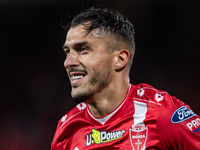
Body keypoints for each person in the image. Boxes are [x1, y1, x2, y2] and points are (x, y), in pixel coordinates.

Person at [51, 5, 200, 150]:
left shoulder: (162, 114)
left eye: (83, 49)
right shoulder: (66, 131)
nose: (68, 62)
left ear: (120, 59)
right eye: (67, 52)